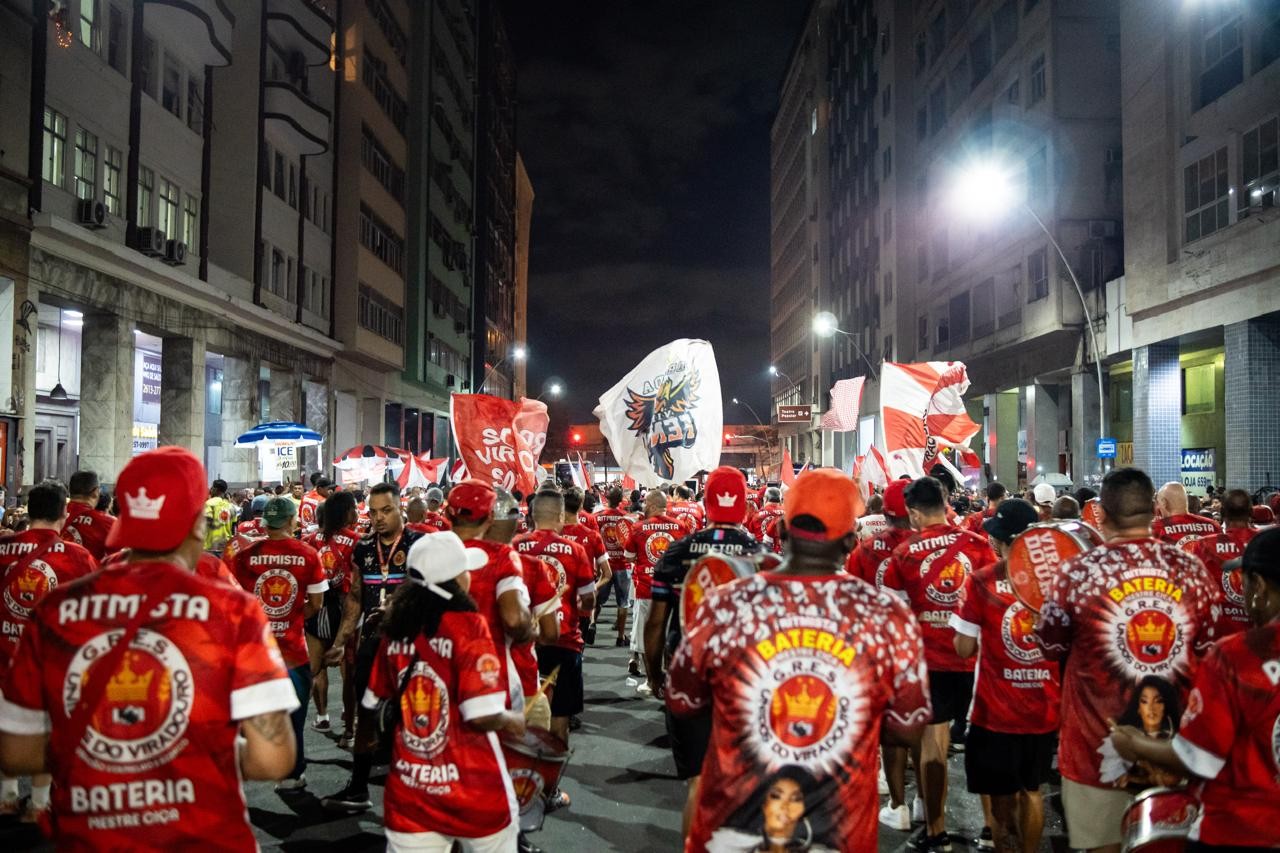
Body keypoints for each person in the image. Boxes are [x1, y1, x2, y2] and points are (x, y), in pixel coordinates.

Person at [0, 448, 298, 848]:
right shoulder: (232, 610)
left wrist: (110, 755)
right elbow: (273, 758)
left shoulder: (55, 611)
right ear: (197, 524)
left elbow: (16, 753)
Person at [666, 469, 929, 852]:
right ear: (851, 542)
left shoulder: (726, 604)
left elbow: (682, 700)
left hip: (731, 830)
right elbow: (907, 728)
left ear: (783, 532)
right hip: (840, 833)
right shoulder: (886, 615)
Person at [1035, 467, 1218, 853]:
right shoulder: (1192, 570)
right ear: (1153, 509)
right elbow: (1208, 650)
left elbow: (1049, 646)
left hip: (1095, 750)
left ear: (1101, 513)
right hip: (1174, 750)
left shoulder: (1076, 573)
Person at [1109, 528, 1280, 851]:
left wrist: (1135, 744)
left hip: (1237, 830)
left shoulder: (1236, 657)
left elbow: (1198, 758)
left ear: (1258, 586)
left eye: (1243, 582)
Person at [365, 531, 524, 852]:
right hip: (474, 786)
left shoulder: (396, 628)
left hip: (411, 789)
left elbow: (373, 701)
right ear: (453, 579)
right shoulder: (468, 626)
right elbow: (481, 715)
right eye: (464, 570)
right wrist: (513, 719)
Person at [882, 476, 997, 852]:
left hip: (929, 660)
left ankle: (937, 832)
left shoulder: (903, 554)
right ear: (946, 503)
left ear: (913, 513)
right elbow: (995, 600)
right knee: (983, 744)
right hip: (976, 659)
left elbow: (894, 617)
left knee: (934, 743)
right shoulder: (979, 546)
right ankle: (993, 831)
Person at [645, 467, 762, 833]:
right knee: (742, 783)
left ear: (706, 502)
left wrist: (654, 674)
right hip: (742, 677)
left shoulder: (678, 551)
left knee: (697, 780)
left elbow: (655, 622)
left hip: (688, 669)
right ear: (742, 504)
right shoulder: (761, 554)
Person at [951, 498, 1058, 853]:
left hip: (994, 711)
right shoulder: (1056, 584)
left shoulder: (982, 581)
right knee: (1033, 790)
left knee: (998, 799)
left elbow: (964, 648)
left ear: (999, 540)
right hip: (1044, 709)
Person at [322, 482, 423, 813]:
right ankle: (358, 787)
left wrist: (399, 603)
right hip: (372, 642)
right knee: (365, 713)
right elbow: (354, 599)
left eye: (386, 511)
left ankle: (416, 794)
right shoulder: (363, 547)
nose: (379, 519)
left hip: (412, 644)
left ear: (400, 509)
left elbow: (433, 591)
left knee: (415, 717)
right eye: (374, 512)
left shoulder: (421, 544)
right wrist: (339, 642)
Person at [0, 481, 98, 821]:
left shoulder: (2, 549)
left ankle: (7, 796)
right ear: (64, 512)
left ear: (28, 511)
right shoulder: (77, 557)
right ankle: (39, 804)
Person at [227, 497, 328, 791]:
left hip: (256, 649)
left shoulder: (246, 555)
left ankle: (244, 771)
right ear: (291, 521)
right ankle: (292, 773)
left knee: (251, 714)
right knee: (295, 714)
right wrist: (293, 615)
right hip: (293, 649)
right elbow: (317, 602)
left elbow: (235, 599)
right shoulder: (308, 554)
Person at [845, 479, 919, 832]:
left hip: (878, 644)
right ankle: (924, 800)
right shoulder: (938, 545)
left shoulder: (866, 548)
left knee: (885, 725)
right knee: (926, 728)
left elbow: (852, 597)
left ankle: (896, 801)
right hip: (925, 646)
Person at [513, 488, 596, 752]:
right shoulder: (576, 550)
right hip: (565, 640)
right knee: (560, 716)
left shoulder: (514, 546)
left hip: (524, 642)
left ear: (533, 515)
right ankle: (550, 788)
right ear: (561, 515)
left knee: (519, 714)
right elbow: (589, 597)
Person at [447, 480, 533, 710]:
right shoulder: (501, 555)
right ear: (490, 518)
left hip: (439, 673)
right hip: (491, 674)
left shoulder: (428, 548)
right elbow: (514, 620)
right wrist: (529, 628)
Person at [308, 490, 360, 736]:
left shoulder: (311, 540)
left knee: (316, 667)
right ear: (347, 512)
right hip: (346, 606)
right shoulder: (357, 540)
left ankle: (321, 716)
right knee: (348, 667)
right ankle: (349, 723)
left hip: (318, 607)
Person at [622, 490, 685, 680]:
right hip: (673, 590)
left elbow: (628, 557)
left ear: (650, 505)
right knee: (669, 633)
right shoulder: (681, 526)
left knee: (645, 635)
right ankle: (670, 679)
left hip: (646, 588)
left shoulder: (639, 528)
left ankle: (651, 681)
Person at [1183, 488, 1258, 640]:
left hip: (1217, 632)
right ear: (1251, 512)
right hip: (1259, 630)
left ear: (1222, 513)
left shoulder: (1204, 545)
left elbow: (1193, 590)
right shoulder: (1267, 542)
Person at [560, 487, 612, 646]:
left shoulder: (552, 533)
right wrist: (592, 588)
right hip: (582, 603)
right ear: (582, 504)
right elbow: (608, 574)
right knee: (575, 652)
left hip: (553, 604)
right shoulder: (592, 536)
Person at [1111, 676, 1182, 790]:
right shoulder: (1126, 738)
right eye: (1144, 701)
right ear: (1138, 708)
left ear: (1166, 706)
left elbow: (1178, 779)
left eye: (1158, 701)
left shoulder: (1178, 739)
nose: (1151, 708)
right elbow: (1118, 778)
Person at [595, 487, 636, 646]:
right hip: (623, 566)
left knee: (597, 600)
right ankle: (620, 636)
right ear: (621, 500)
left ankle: (590, 626)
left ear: (606, 498)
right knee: (623, 602)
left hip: (605, 565)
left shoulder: (598, 518)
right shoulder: (626, 518)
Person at [60, 470, 116, 561]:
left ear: (69, 491)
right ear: (96, 492)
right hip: (90, 574)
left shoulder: (52, 516)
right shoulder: (108, 523)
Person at [1152, 481, 1221, 545]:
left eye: (1158, 502)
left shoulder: (1156, 529)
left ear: (1164, 502)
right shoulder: (1214, 526)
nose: (1157, 507)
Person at [204, 478, 239, 555]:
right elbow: (234, 529)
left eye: (212, 488)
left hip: (209, 548)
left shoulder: (208, 504)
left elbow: (204, 525)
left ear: (215, 489)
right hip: (226, 548)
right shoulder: (231, 507)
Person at [748, 487, 784, 554]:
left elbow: (750, 539)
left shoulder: (756, 515)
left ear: (765, 499)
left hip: (762, 555)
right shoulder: (787, 512)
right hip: (783, 555)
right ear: (780, 499)